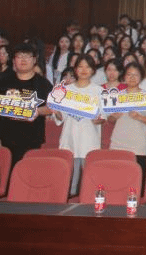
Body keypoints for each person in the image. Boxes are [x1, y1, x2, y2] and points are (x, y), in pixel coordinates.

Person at [54, 54, 105, 194]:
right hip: (69, 139)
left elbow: (102, 117)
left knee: (89, 181)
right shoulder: (67, 90)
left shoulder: (99, 91)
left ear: (93, 70)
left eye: (87, 67)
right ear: (75, 69)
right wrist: (55, 110)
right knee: (70, 183)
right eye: (80, 66)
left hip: (89, 140)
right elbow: (61, 117)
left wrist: (97, 118)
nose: (84, 70)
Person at [0, 43, 54, 168]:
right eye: (19, 56)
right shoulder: (3, 81)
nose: (23, 59)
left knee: (26, 173)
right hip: (5, 139)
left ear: (34, 60)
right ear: (14, 60)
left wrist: (38, 111)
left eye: (27, 56)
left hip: (32, 139)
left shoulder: (43, 83)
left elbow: (53, 107)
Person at [108, 62, 146, 187]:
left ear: (141, 77)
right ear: (124, 77)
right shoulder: (117, 96)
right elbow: (110, 119)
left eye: (136, 75)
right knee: (117, 182)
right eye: (129, 74)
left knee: (137, 184)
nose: (132, 77)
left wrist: (139, 117)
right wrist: (114, 116)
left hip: (139, 146)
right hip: (118, 144)